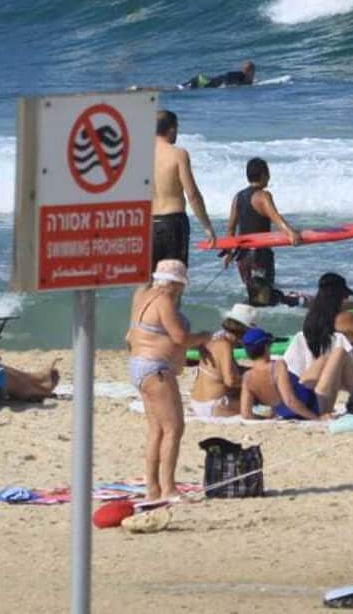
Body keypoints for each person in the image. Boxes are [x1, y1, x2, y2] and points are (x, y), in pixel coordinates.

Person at [127, 260, 210, 500]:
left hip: (139, 365)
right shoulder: (163, 301)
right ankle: (169, 489)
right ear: (174, 284)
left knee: (156, 429)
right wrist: (204, 337)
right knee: (174, 428)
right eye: (181, 286)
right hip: (156, 369)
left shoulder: (141, 294)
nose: (181, 291)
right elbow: (180, 337)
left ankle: (153, 488)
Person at [226, 157, 301, 307]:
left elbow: (231, 228)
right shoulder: (263, 196)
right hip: (259, 255)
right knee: (264, 297)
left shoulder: (238, 197)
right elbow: (275, 217)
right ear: (264, 174)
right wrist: (291, 232)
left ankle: (242, 318)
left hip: (242, 256)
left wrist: (228, 252)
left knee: (253, 292)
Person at [152, 110, 218, 268]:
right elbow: (192, 194)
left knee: (148, 282)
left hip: (148, 224)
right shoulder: (178, 154)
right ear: (172, 129)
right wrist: (207, 227)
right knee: (172, 283)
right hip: (172, 223)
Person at [189, 303, 256, 419]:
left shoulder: (214, 339)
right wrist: (253, 381)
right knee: (256, 397)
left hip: (197, 402)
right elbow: (230, 381)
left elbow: (224, 370)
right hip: (213, 405)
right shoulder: (225, 346)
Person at [181, 61, 255, 89]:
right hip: (202, 81)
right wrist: (226, 85)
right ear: (250, 71)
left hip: (204, 80)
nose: (253, 74)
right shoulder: (239, 75)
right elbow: (228, 75)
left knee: (178, 88)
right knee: (177, 89)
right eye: (253, 71)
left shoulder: (243, 78)